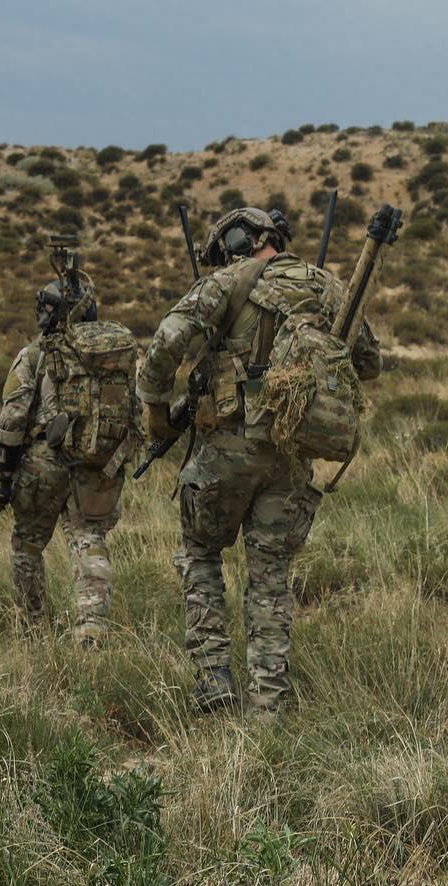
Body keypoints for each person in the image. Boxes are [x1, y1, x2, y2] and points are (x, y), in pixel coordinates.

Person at [137, 207, 383, 716]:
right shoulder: (324, 286)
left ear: (234, 243)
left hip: (226, 449)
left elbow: (163, 345)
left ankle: (213, 677)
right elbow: (369, 363)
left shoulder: (224, 283)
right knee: (270, 575)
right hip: (291, 455)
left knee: (201, 553)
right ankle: (268, 704)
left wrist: (157, 415)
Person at [0, 272, 141, 645]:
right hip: (96, 465)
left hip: (43, 465)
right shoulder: (109, 356)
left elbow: (12, 422)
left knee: (27, 545)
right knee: (90, 541)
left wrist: (2, 481)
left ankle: (32, 631)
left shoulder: (35, 354)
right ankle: (91, 631)